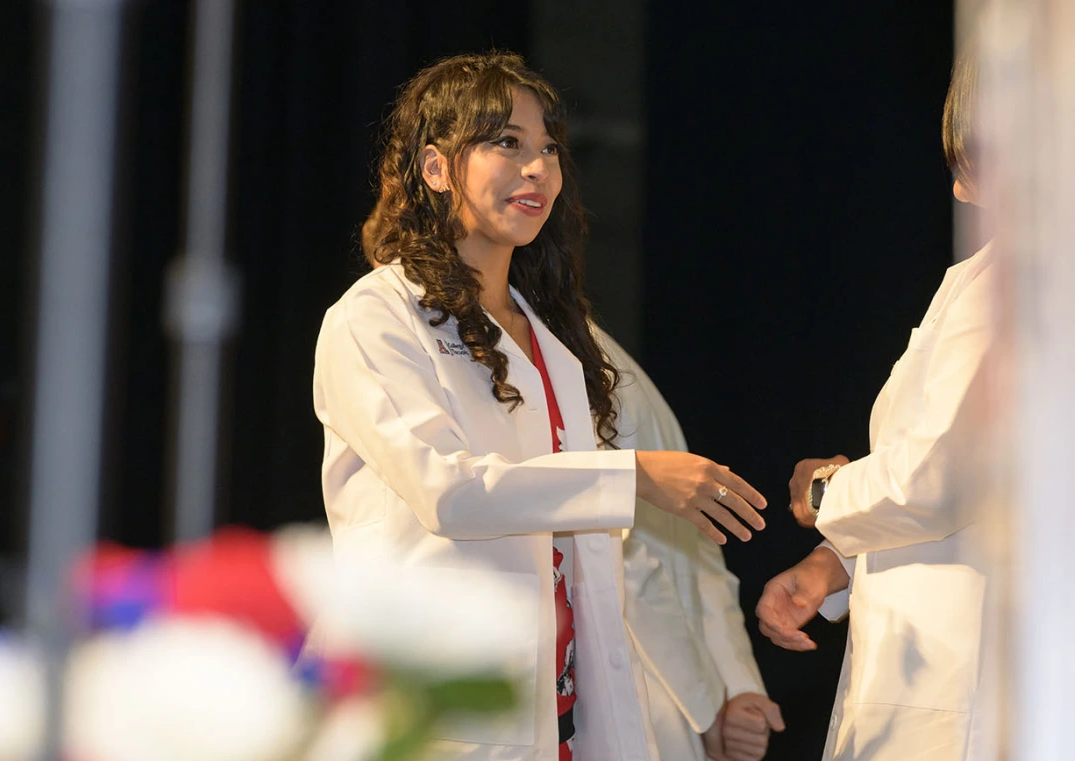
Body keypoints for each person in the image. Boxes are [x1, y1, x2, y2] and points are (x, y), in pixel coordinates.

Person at [314, 52, 768, 761]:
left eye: (548, 149)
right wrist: (634, 477)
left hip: (560, 719)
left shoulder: (554, 341)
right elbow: (449, 492)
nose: (537, 168)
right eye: (507, 143)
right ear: (435, 168)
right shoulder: (374, 318)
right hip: (432, 716)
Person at [359, 211, 783, 761]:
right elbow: (452, 495)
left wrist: (734, 685)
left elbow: (692, 538)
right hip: (522, 679)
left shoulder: (568, 352)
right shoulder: (384, 329)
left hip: (636, 679)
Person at [755, 50, 995, 761]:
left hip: (973, 692)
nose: (956, 190)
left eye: (970, 158)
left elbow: (939, 477)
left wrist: (824, 492)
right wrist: (837, 560)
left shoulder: (1024, 279)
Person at [601, 331, 785, 761]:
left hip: (659, 697)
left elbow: (695, 541)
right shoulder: (537, 344)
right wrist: (716, 699)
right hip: (631, 689)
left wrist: (734, 689)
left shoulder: (584, 347)